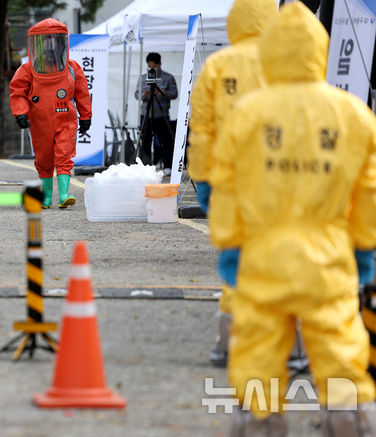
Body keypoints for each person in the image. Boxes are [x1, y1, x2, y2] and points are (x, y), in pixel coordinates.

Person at [209, 3, 376, 434]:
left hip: (264, 254)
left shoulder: (247, 113)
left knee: (261, 346)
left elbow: (225, 183)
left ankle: (260, 422)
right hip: (330, 255)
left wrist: (230, 242)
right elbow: (369, 191)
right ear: (319, 50)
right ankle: (347, 418)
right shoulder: (355, 114)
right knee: (339, 344)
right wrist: (364, 248)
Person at [187, 0, 278, 368]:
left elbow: (202, 131)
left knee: (238, 260)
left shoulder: (217, 66)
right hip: (280, 178)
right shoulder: (284, 61)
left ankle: (228, 340)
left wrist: (204, 180)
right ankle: (291, 343)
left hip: (231, 180)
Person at [9, 18, 92, 209]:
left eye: (55, 42)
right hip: (40, 122)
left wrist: (86, 116)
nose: (49, 48)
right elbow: (18, 92)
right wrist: (20, 113)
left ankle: (63, 194)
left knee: (64, 156)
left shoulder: (72, 68)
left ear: (63, 43)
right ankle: (46, 197)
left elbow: (82, 93)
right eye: (45, 43)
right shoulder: (28, 69)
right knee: (44, 159)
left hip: (66, 120)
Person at [135, 52, 177, 175]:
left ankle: (167, 166)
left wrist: (162, 93)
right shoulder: (143, 78)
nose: (152, 69)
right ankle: (146, 166)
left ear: (160, 64)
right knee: (146, 141)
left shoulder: (168, 77)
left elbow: (174, 94)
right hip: (146, 114)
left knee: (165, 141)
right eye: (149, 67)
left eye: (154, 67)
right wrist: (145, 94)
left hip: (162, 114)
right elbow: (137, 94)